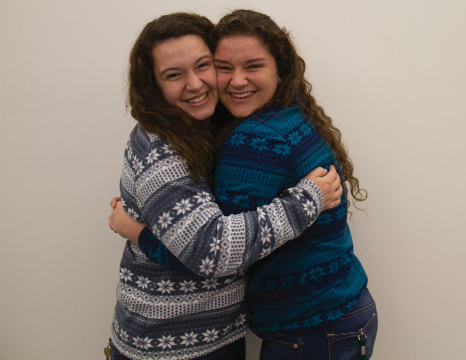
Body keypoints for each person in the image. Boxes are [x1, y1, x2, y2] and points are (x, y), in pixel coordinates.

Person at [116, 9, 379, 360]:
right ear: (154, 84)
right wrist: (309, 198)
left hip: (313, 325)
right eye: (225, 67)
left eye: (253, 66)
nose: (236, 80)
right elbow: (215, 253)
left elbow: (216, 256)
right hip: (332, 314)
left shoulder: (254, 136)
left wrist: (135, 231)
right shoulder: (283, 115)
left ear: (280, 70)